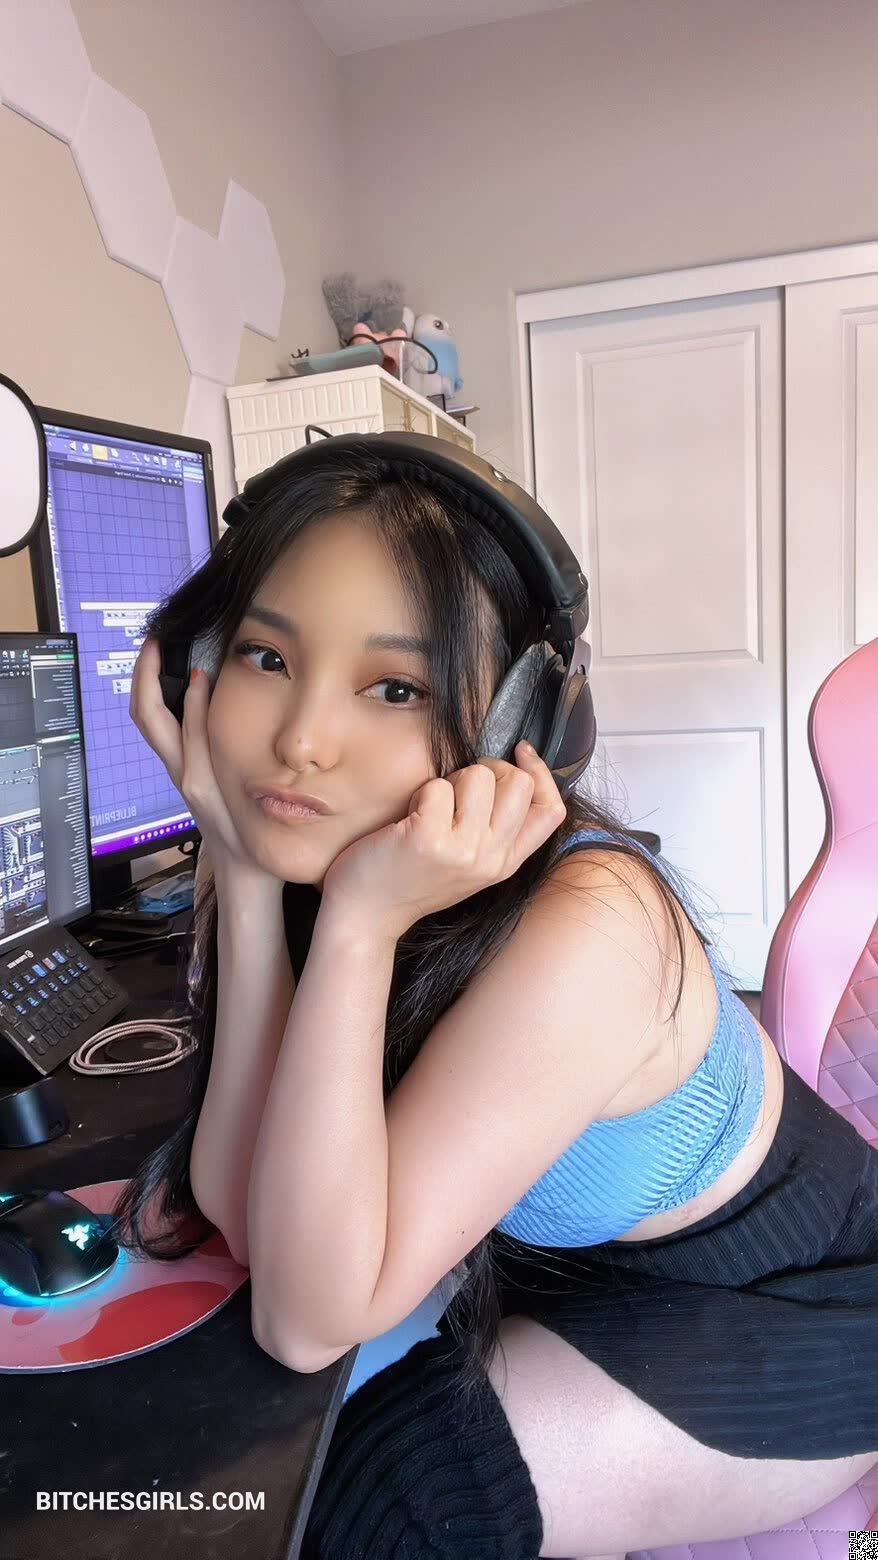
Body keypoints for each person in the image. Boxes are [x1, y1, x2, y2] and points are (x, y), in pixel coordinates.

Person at [115, 438, 878, 1560]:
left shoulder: (591, 926)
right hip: (560, 1278)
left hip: (788, 1300)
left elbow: (303, 1322)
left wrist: (361, 927)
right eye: (266, 657)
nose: (300, 741)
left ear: (516, 723)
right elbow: (246, 1213)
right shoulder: (339, 858)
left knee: (379, 1498)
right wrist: (242, 869)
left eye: (395, 688)